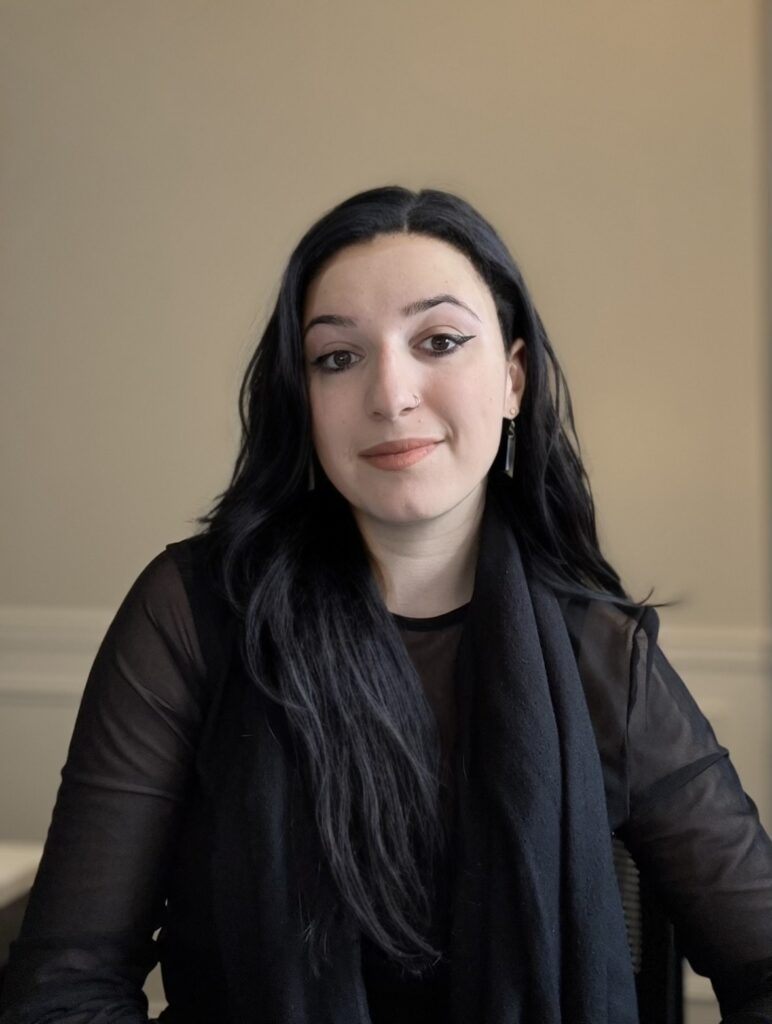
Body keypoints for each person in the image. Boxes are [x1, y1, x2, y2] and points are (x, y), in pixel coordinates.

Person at [1, 186, 771, 1024]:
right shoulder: (190, 614)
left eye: (439, 341)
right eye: (338, 357)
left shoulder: (604, 656)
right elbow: (64, 989)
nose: (391, 393)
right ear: (303, 398)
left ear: (513, 378)